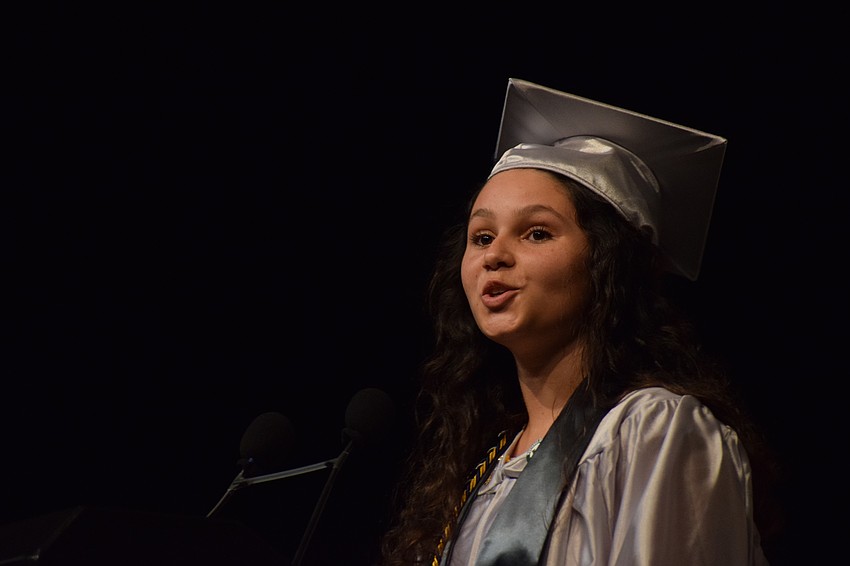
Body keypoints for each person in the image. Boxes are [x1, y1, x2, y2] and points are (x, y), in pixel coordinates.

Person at [379, 79, 778, 565]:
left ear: (607, 265)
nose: (494, 256)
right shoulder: (479, 474)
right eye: (481, 237)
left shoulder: (653, 431)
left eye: (537, 232)